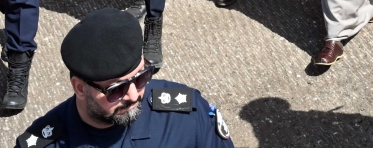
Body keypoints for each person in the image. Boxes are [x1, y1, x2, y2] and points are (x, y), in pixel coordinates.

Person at [16, 8, 234, 148]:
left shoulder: (185, 114)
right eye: (116, 89)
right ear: (80, 88)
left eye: (141, 78)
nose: (133, 95)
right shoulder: (44, 142)